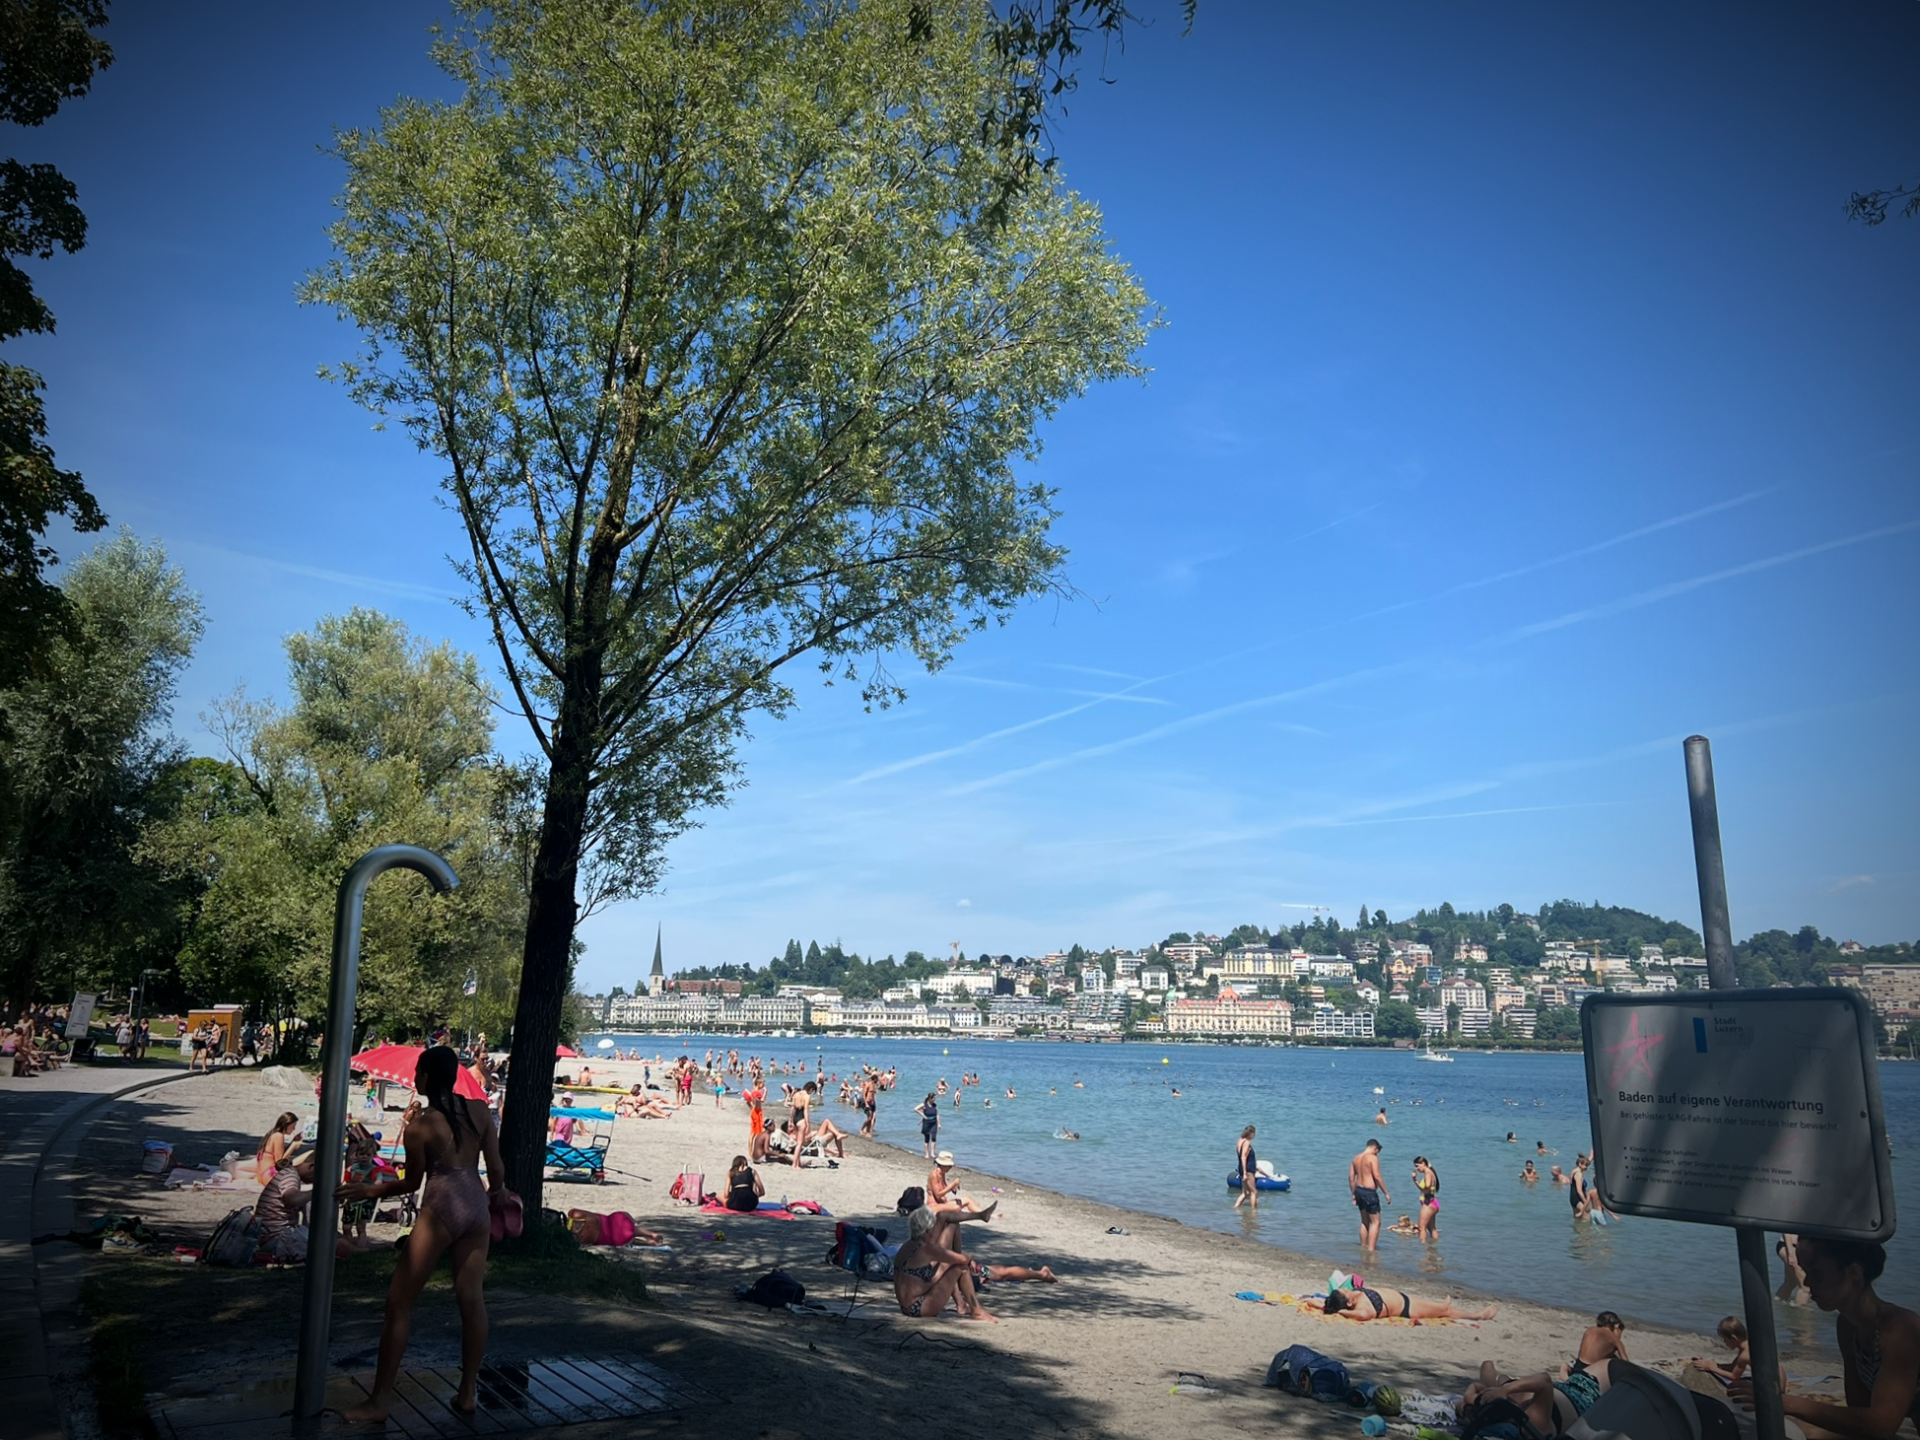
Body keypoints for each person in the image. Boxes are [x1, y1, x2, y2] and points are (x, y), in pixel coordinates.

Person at [338, 1046, 508, 1423]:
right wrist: (499, 1194)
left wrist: (367, 1191)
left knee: (399, 1303)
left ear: (427, 1078)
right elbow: (495, 1169)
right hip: (476, 1207)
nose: (415, 1079)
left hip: (442, 1208)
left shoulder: (421, 1127)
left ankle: (380, 1400)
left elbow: (410, 1183)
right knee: (471, 1300)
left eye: (417, 1073)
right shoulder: (480, 1111)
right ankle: (467, 1392)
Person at [1730, 1236, 1920, 1438]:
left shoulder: (1900, 1329)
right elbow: (1860, 1414)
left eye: (1817, 1273)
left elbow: (1882, 1425)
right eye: (1806, 1271)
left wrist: (1782, 1402)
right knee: (1801, 1429)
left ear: (1854, 1273)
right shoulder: (1848, 1326)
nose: (1808, 1282)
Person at [892, 1206, 995, 1322]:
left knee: (951, 1259)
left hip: (905, 1307)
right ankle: (977, 1311)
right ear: (927, 1230)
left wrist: (944, 1265)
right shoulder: (928, 1249)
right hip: (919, 1307)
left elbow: (919, 1281)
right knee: (961, 1268)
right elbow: (963, 1260)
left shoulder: (906, 1246)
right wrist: (963, 1258)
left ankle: (962, 1305)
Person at [1458, 1359, 1605, 1435]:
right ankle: (1566, 1369)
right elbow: (1545, 1381)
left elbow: (1487, 1365)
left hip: (1535, 1391)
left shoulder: (1486, 1409)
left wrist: (1498, 1391)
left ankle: (1567, 1369)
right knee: (1607, 1369)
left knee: (1498, 1375)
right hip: (1580, 1394)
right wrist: (1503, 1390)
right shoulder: (1532, 1422)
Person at [1314, 1285, 1497, 1321]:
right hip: (1407, 1308)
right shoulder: (1361, 1308)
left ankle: (1438, 1305)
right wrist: (1341, 1313)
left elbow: (1322, 1303)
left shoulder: (1354, 1298)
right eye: (1346, 1292)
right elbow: (1362, 1316)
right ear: (1349, 1303)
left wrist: (1325, 1305)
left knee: (1440, 1307)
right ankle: (1478, 1315)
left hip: (1404, 1299)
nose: (1347, 1289)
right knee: (1445, 1311)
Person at [1350, 1138, 1390, 1250]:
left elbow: (1351, 1177)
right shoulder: (1372, 1158)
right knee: (1376, 1222)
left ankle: (1363, 1246)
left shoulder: (1356, 1158)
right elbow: (1377, 1176)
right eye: (1377, 1152)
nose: (1377, 1154)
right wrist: (1386, 1193)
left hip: (1359, 1190)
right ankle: (1371, 1249)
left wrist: (1353, 1193)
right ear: (1375, 1148)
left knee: (1364, 1221)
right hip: (1369, 1192)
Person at [258, 1111, 303, 1176]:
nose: (294, 1129)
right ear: (286, 1125)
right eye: (293, 1126)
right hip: (270, 1174)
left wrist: (293, 1141)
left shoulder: (273, 1133)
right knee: (309, 1154)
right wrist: (293, 1146)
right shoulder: (279, 1136)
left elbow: (280, 1154)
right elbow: (280, 1163)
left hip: (264, 1173)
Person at [1777, 1233, 1811, 1306]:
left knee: (1790, 1283)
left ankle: (1776, 1303)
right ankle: (1800, 1314)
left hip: (1800, 1248)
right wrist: (1791, 1255)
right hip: (1789, 1247)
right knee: (1806, 1287)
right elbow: (1787, 1232)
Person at [1413, 1155, 1440, 1242]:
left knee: (1421, 1227)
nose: (1417, 1168)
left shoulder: (1428, 1173)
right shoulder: (1430, 1172)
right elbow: (1425, 1188)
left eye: (1417, 1166)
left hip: (1429, 1204)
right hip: (1433, 1203)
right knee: (1432, 1228)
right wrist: (1415, 1180)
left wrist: (1415, 1180)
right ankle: (1433, 1248)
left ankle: (1423, 1247)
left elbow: (1427, 1187)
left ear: (1423, 1163)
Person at [1234, 1125, 1260, 1211]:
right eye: (1254, 1133)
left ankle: (1235, 1208)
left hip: (1242, 1168)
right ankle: (1253, 1212)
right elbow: (1243, 1157)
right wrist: (1245, 1173)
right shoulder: (1246, 1142)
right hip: (1247, 1170)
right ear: (1251, 1133)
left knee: (1245, 1193)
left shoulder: (1239, 1141)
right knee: (1254, 1192)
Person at [917, 1092, 940, 1160]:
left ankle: (932, 1153)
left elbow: (937, 1114)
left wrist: (939, 1123)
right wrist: (923, 1116)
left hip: (934, 1123)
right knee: (927, 1139)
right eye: (933, 1098)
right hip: (926, 1123)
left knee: (933, 1137)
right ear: (930, 1098)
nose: (934, 1100)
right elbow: (915, 1109)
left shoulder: (935, 1105)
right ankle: (927, 1153)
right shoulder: (924, 1105)